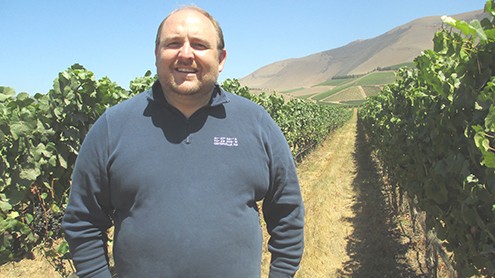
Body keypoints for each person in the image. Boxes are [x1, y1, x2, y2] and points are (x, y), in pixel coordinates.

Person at [62, 5, 304, 278]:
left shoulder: (257, 123)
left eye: (199, 45)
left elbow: (287, 213)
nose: (185, 54)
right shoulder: (112, 126)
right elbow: (83, 221)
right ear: (156, 54)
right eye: (173, 43)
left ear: (221, 58)